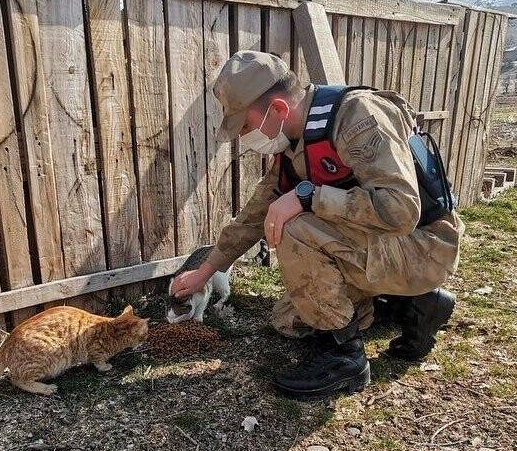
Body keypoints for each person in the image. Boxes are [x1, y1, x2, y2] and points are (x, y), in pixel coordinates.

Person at [171, 51, 464, 399]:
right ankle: (414, 305)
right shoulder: (296, 143)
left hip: (424, 247)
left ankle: (346, 359)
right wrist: (205, 272)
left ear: (278, 109)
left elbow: (401, 209)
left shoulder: (358, 116)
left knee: (295, 226)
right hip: (381, 248)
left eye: (246, 126)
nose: (245, 137)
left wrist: (308, 197)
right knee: (290, 321)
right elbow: (252, 217)